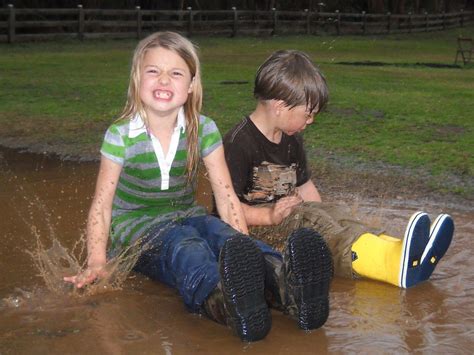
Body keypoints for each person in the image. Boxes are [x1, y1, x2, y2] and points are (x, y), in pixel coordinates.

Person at [63, 32, 333, 343]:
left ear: (191, 85)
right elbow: (102, 203)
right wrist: (97, 261)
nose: (164, 80)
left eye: (176, 73)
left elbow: (225, 194)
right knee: (185, 246)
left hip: (189, 215)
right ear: (137, 78)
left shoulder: (203, 130)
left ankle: (288, 286)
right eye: (153, 71)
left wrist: (240, 243)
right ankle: (224, 303)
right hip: (138, 232)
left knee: (217, 234)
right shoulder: (120, 136)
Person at [223, 49, 454, 289]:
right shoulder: (239, 143)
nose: (310, 121)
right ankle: (387, 263)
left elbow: (304, 185)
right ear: (281, 106)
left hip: (294, 219)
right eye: (308, 114)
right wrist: (270, 215)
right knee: (315, 222)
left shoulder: (291, 139)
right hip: (260, 230)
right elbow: (227, 209)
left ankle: (398, 250)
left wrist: (326, 213)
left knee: (334, 213)